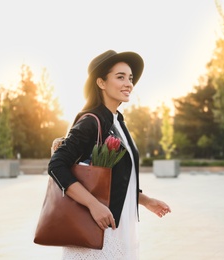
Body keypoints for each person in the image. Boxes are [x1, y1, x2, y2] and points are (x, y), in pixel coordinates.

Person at [48, 50, 171, 259]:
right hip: (95, 229)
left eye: (130, 78)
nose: (128, 83)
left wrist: (146, 200)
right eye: (120, 77)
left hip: (119, 226)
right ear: (101, 83)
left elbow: (116, 179)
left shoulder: (118, 122)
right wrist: (93, 205)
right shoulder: (91, 121)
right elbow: (56, 165)